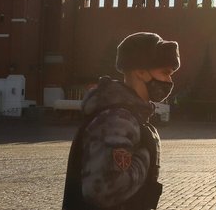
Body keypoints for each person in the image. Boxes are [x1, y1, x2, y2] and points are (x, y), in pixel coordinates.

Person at [62, 32, 181, 210]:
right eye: (165, 73)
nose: (169, 81)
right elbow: (104, 191)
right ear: (140, 71)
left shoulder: (130, 114)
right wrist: (144, 157)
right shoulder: (117, 119)